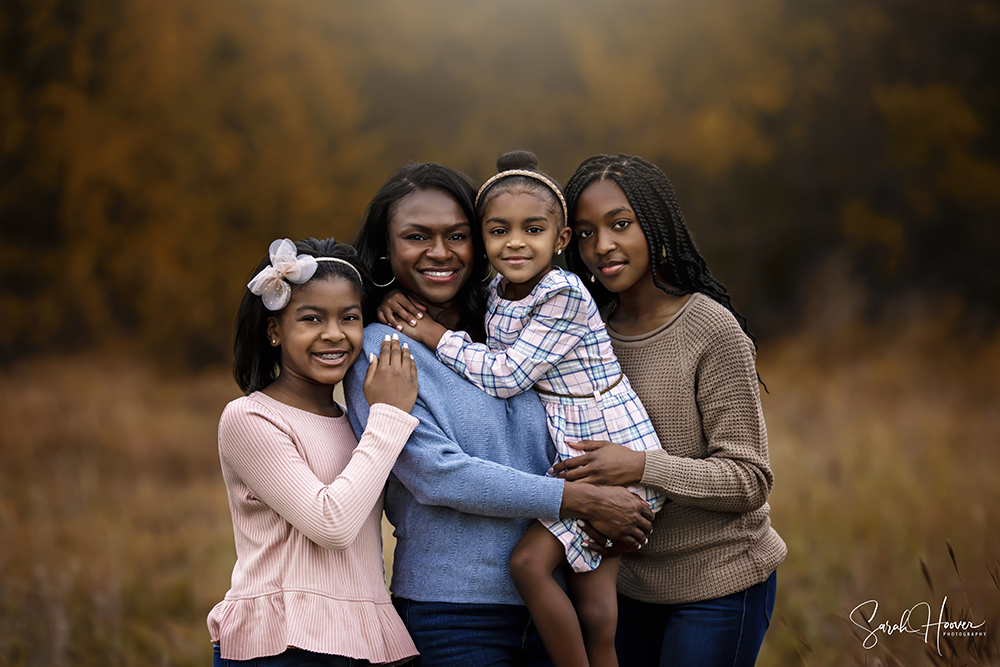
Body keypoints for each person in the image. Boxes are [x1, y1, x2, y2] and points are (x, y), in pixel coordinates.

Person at [343, 163, 654, 667]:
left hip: (553, 602)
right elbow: (437, 474)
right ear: (386, 247)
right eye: (417, 236)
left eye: (457, 236)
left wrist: (598, 518)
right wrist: (581, 501)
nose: (440, 252)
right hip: (456, 613)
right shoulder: (384, 349)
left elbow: (562, 432)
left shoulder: (502, 327)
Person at [549, 153, 787, 667]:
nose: (602, 247)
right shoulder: (581, 335)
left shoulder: (710, 330)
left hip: (717, 581)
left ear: (656, 226)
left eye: (620, 224)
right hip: (624, 587)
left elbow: (749, 480)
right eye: (585, 233)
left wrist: (639, 465)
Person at [208, 237, 420, 666]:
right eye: (311, 319)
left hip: (359, 642)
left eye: (349, 317)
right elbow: (331, 524)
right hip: (283, 645)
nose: (333, 334)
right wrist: (389, 415)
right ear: (274, 331)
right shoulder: (251, 418)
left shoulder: (354, 423)